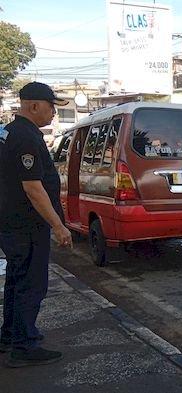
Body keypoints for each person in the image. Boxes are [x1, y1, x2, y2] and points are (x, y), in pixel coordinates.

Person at [0, 82, 72, 368]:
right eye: (51, 106)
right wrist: (58, 225)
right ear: (34, 106)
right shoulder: (26, 137)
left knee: (17, 282)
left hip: (12, 223)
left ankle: (9, 336)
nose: (54, 112)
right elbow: (33, 187)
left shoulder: (9, 132)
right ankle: (24, 346)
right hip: (27, 226)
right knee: (31, 284)